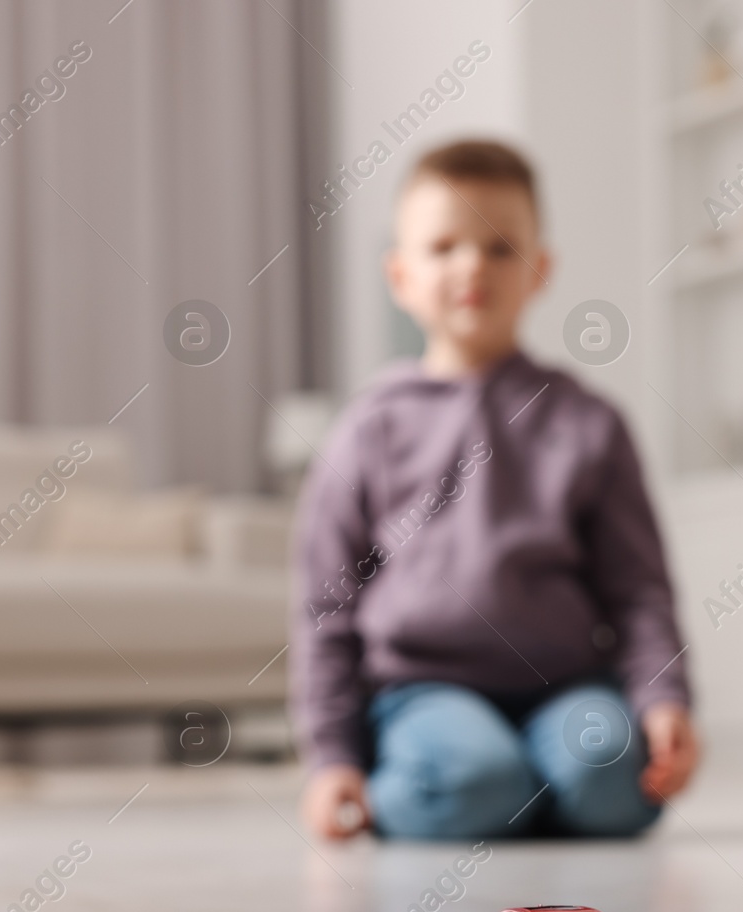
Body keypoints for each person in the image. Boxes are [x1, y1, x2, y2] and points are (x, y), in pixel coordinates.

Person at [290, 139, 697, 841]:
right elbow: (325, 603)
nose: (472, 264)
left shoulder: (589, 422)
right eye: (443, 246)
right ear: (400, 275)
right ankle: (486, 788)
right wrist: (332, 757)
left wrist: (662, 698)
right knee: (472, 778)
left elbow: (639, 590)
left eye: (500, 247)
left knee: (610, 778)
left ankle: (525, 788)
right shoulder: (369, 427)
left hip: (568, 686)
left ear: (540, 270)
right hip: (422, 689)